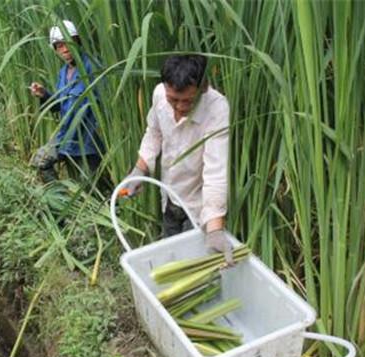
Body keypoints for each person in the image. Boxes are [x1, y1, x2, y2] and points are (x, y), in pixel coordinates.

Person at [121, 54, 234, 265]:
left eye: (188, 101)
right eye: (173, 99)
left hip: (200, 207)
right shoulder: (159, 95)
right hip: (170, 196)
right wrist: (139, 170)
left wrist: (215, 228)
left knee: (196, 267)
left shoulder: (217, 108)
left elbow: (216, 172)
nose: (180, 107)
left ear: (203, 87)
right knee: (172, 257)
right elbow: (153, 133)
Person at [29, 20, 103, 185]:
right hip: (66, 137)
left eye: (68, 42)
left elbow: (106, 102)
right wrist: (43, 94)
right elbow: (59, 106)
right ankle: (60, 199)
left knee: (89, 187)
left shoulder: (92, 65)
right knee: (40, 161)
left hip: (88, 140)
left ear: (77, 41)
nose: (65, 49)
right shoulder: (63, 72)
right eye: (59, 45)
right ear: (55, 50)